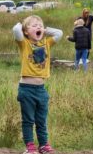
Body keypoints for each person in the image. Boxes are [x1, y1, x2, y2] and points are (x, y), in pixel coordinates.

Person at [12, 15, 63, 154]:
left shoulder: (47, 43)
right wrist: (23, 27)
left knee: (41, 120)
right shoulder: (24, 43)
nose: (38, 27)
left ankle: (43, 145)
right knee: (28, 120)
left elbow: (59, 33)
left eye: (40, 25)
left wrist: (44, 30)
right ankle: (30, 147)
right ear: (26, 31)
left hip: (41, 89)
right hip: (27, 89)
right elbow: (16, 30)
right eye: (34, 26)